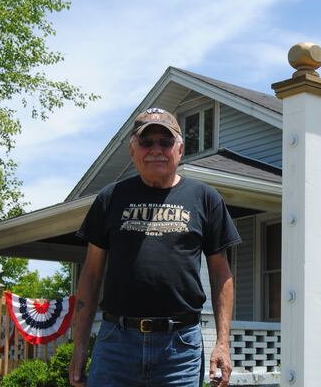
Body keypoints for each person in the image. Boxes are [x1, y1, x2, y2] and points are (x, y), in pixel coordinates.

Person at [69, 107, 240, 387]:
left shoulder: (205, 198)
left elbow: (222, 275)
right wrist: (79, 347)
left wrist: (222, 343)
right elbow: (90, 274)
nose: (156, 149)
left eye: (166, 141)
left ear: (180, 149)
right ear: (132, 150)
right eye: (146, 142)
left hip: (179, 349)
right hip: (116, 344)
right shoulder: (110, 198)